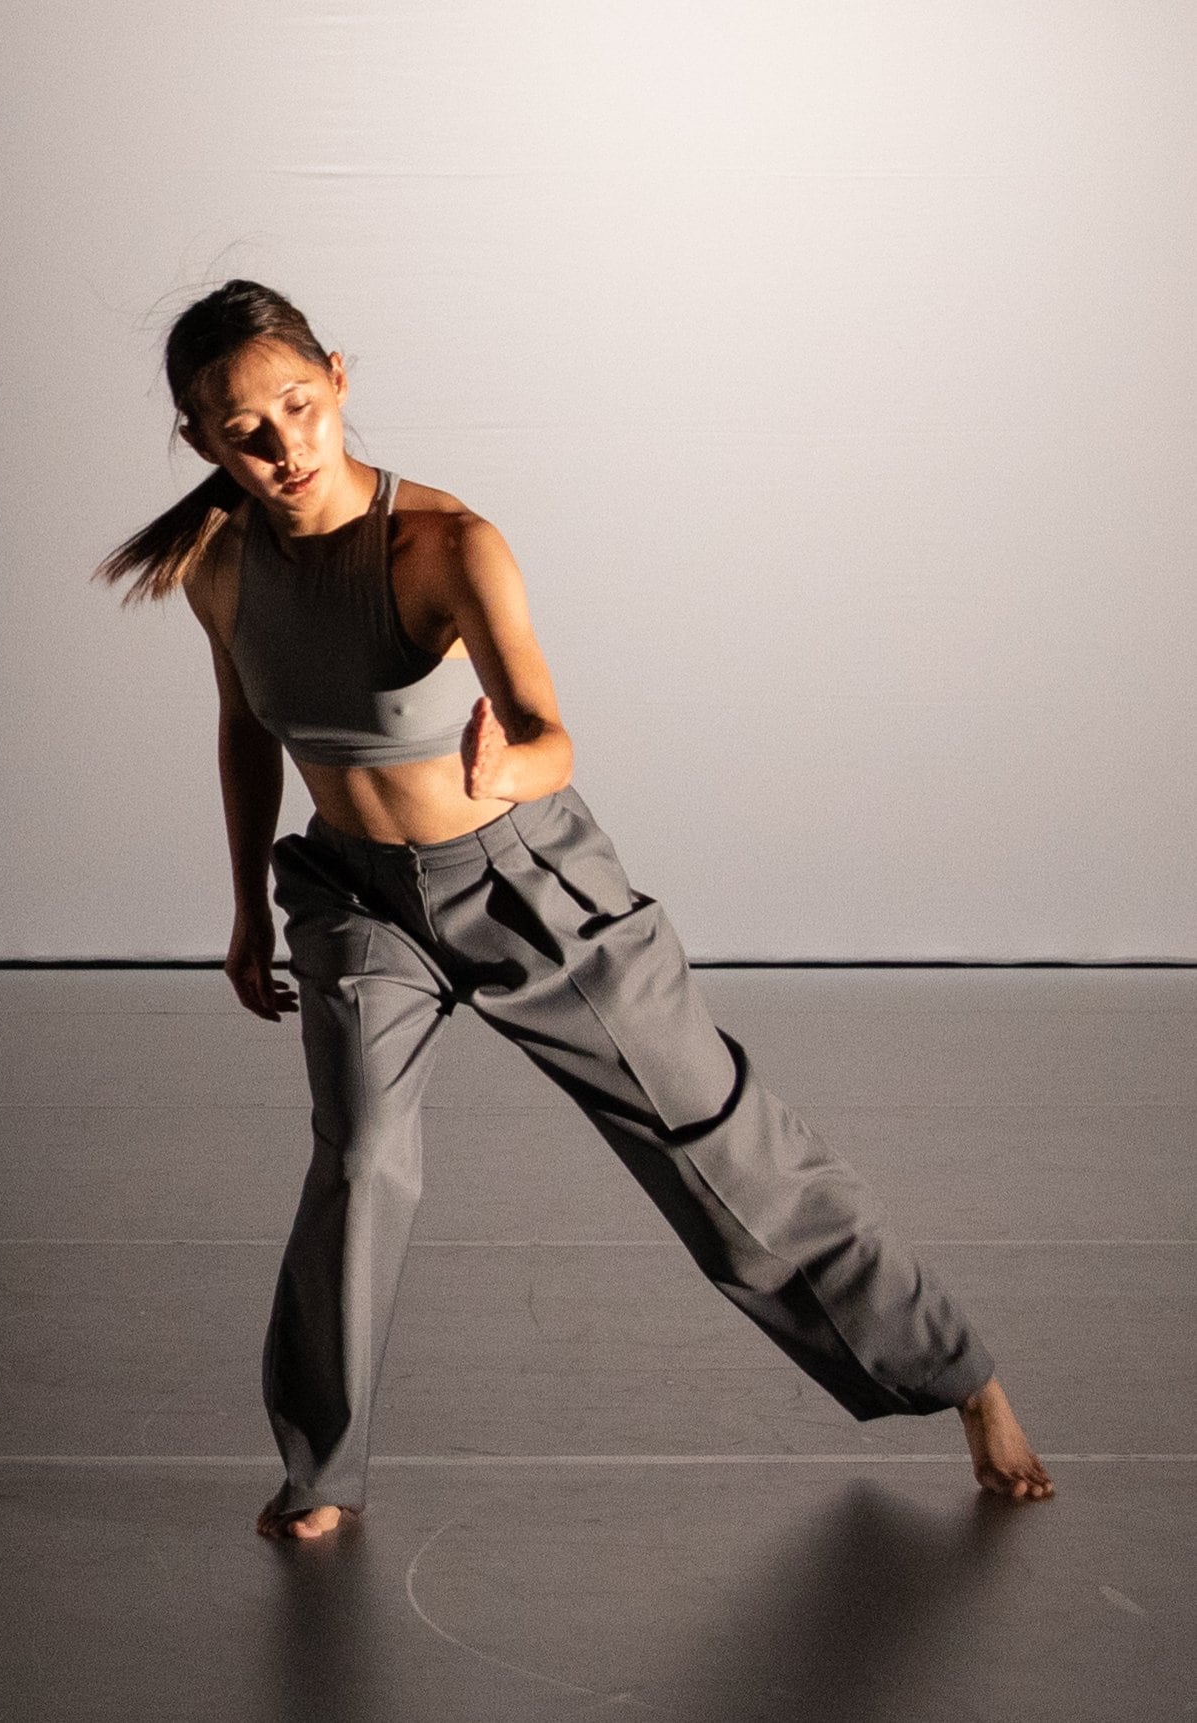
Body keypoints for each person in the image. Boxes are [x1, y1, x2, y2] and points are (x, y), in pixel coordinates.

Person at [94, 279, 1051, 1541]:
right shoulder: (215, 565)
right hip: (352, 899)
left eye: (297, 407)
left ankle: (960, 1376)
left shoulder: (441, 546)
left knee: (714, 1149)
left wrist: (507, 770)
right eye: (241, 430)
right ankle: (319, 1472)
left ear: (338, 376)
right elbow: (240, 732)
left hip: (522, 885)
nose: (279, 447)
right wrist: (237, 912)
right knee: (359, 1165)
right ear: (196, 439)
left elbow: (548, 734)